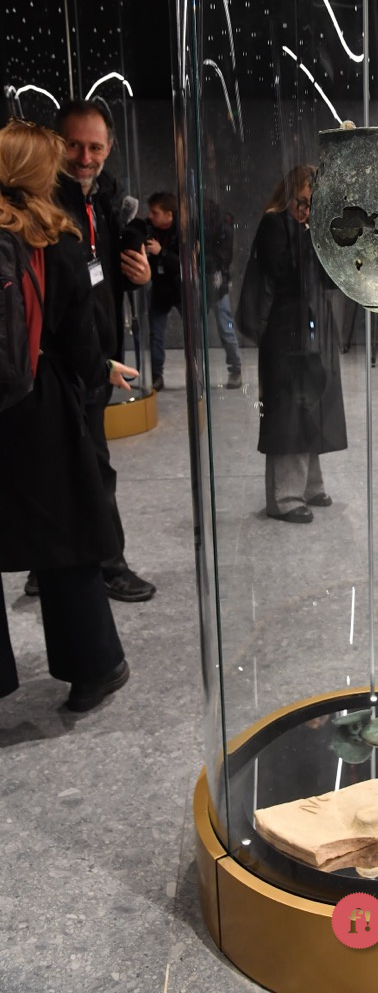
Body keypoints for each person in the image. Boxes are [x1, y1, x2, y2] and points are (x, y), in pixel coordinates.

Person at [0, 119, 138, 711]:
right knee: (66, 538)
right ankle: (93, 666)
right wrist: (99, 368)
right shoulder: (55, 238)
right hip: (40, 405)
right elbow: (80, 341)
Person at [28, 99, 156, 602]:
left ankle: (50, 561)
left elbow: (102, 276)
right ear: (55, 144)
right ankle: (107, 564)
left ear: (109, 148)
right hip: (56, 363)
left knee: (80, 463)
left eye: (95, 147)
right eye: (74, 145)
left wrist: (139, 277)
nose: (85, 157)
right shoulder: (41, 201)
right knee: (85, 467)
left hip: (95, 354)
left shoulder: (105, 198)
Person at [253, 164, 347, 523]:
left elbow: (331, 280)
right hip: (285, 331)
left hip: (312, 329)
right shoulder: (274, 224)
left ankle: (308, 485)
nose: (307, 211)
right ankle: (284, 497)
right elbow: (283, 272)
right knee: (288, 412)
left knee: (312, 406)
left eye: (313, 204)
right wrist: (314, 237)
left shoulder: (307, 230)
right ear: (289, 197)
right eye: (303, 202)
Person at [203, 196, 243, 388]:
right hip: (203, 279)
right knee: (201, 330)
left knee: (225, 327)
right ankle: (233, 369)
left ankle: (235, 369)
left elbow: (223, 257)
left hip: (216, 281)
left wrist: (201, 256)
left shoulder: (222, 225)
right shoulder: (201, 224)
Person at [145, 190, 182, 391]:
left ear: (169, 215)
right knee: (156, 333)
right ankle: (156, 375)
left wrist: (162, 252)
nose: (150, 216)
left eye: (155, 213)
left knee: (193, 333)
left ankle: (195, 372)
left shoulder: (183, 231)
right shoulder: (147, 229)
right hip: (160, 287)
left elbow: (184, 264)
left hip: (180, 288)